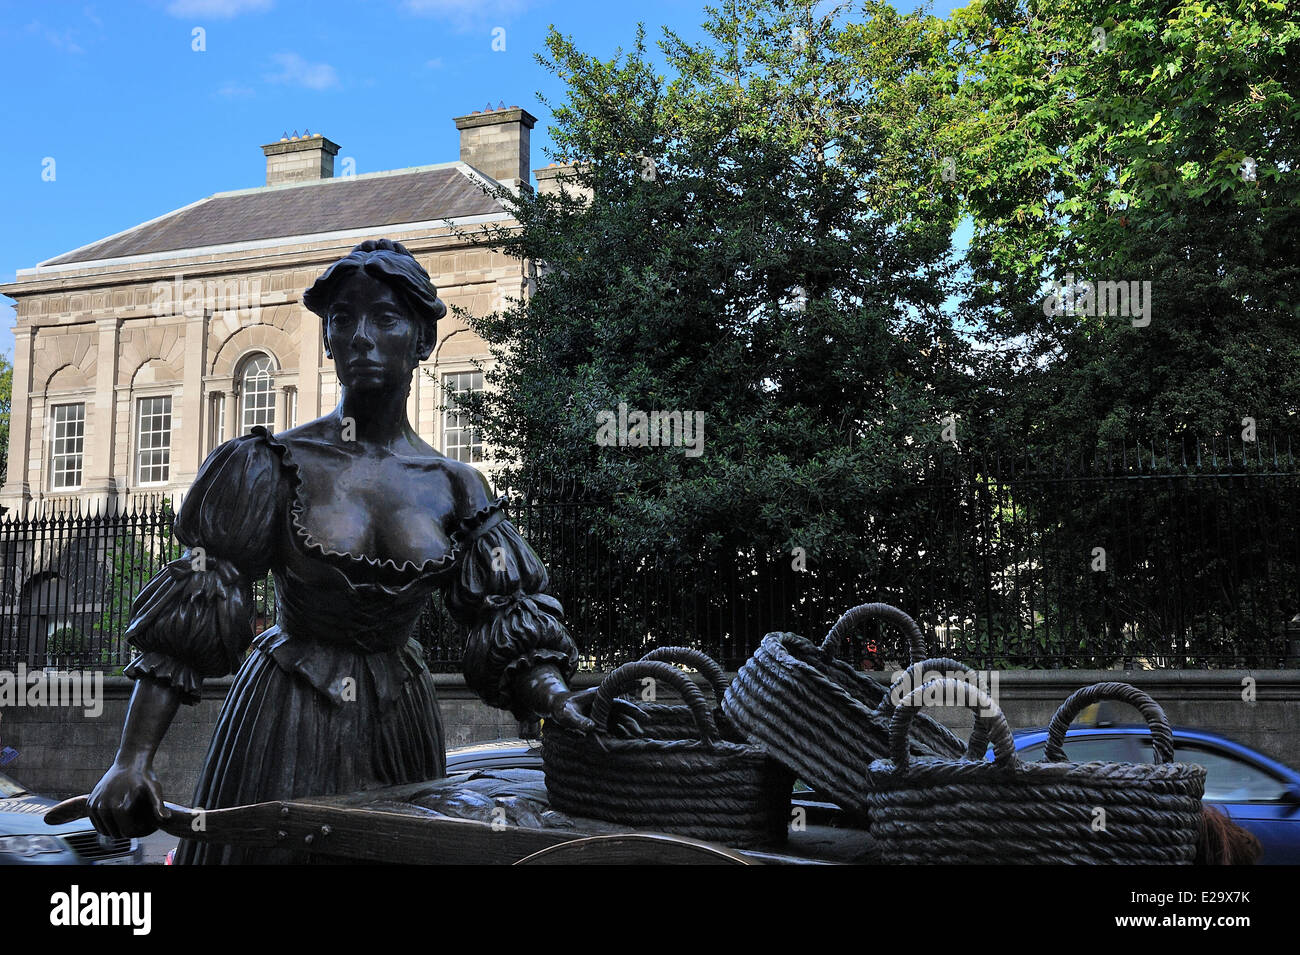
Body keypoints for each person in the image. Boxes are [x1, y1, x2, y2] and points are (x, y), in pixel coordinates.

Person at [86, 239, 595, 863]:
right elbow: (191, 617)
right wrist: (132, 760)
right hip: (285, 716)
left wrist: (559, 698)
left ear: (423, 341)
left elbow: (503, 617)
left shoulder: (456, 486)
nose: (360, 336)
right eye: (342, 319)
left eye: (385, 318)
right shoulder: (270, 464)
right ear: (325, 341)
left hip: (401, 718)